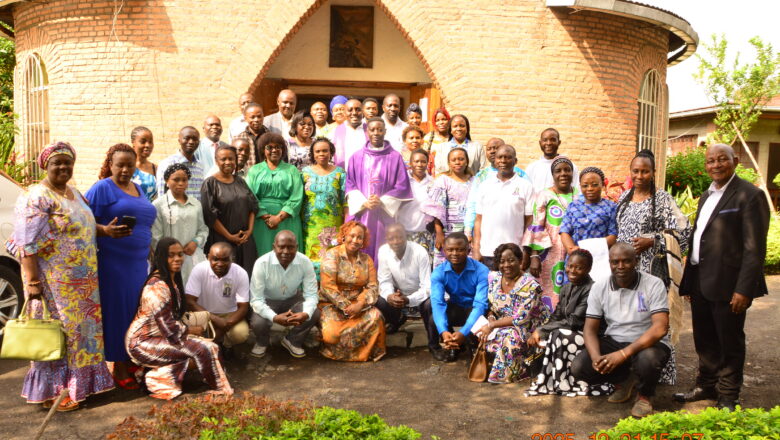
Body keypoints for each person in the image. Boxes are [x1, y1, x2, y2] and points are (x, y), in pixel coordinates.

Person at [6, 142, 114, 411]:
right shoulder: (36, 196)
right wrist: (32, 284)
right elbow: (25, 244)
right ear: (46, 165)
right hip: (55, 283)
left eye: (68, 162)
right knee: (58, 336)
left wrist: (104, 230)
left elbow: (79, 227)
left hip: (84, 285)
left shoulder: (74, 193)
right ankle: (53, 393)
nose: (64, 167)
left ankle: (81, 387)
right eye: (57, 163)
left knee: (82, 335)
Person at [675, 144, 770, 411]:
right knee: (704, 339)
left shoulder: (750, 196)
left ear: (735, 161)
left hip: (730, 286)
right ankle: (706, 386)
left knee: (729, 341)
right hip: (702, 281)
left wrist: (744, 290)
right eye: (710, 161)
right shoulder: (707, 195)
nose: (715, 165)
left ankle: (728, 396)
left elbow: (755, 249)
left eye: (721, 160)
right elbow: (699, 238)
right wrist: (690, 280)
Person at [86, 143, 157, 389]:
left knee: (136, 312)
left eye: (130, 165)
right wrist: (105, 230)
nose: (125, 169)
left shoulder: (138, 188)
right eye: (120, 165)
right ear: (111, 165)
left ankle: (132, 356)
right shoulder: (102, 188)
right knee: (119, 312)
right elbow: (81, 221)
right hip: (114, 264)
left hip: (138, 263)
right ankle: (119, 365)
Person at [571, 243, 670, 418]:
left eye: (626, 261)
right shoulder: (600, 287)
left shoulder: (654, 284)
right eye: (615, 262)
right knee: (580, 367)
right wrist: (596, 358)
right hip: (615, 339)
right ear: (609, 263)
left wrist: (623, 354)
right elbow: (590, 328)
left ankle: (644, 396)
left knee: (649, 360)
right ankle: (623, 381)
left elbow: (660, 327)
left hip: (648, 341)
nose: (620, 266)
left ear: (636, 261)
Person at [126, 238, 233, 400]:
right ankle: (220, 389)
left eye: (180, 255)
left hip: (162, 336)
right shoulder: (156, 287)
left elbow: (173, 320)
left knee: (201, 347)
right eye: (171, 255)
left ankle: (152, 376)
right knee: (205, 348)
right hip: (142, 343)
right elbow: (169, 329)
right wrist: (192, 331)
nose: (177, 259)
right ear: (161, 257)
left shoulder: (171, 279)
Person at [526, 249, 613, 396]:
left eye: (579, 267)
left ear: (588, 269)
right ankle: (548, 377)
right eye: (569, 266)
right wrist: (541, 330)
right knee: (545, 332)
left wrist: (543, 330)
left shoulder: (592, 289)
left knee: (557, 334)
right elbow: (557, 316)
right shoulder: (566, 287)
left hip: (589, 336)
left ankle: (564, 381)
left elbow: (575, 321)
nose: (572, 270)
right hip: (569, 331)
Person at [475, 243, 549, 383]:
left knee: (509, 336)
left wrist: (492, 325)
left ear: (520, 261)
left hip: (530, 327)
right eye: (502, 261)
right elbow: (493, 305)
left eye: (511, 260)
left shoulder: (531, 285)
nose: (506, 265)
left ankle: (514, 372)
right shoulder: (495, 279)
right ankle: (497, 365)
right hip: (501, 322)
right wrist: (491, 317)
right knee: (479, 331)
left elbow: (521, 318)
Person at [345, 117, 412, 261]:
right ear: (366, 131)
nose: (376, 133)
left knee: (383, 249)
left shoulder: (395, 157)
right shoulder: (356, 157)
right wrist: (364, 202)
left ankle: (383, 281)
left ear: (385, 131)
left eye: (380, 129)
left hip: (384, 215)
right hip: (362, 213)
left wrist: (381, 201)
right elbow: (350, 184)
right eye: (372, 129)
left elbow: (402, 185)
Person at [318, 221, 386, 362]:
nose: (355, 240)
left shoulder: (367, 260)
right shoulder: (332, 255)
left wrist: (360, 304)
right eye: (352, 236)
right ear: (344, 236)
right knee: (332, 334)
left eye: (359, 237)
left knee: (376, 317)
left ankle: (367, 354)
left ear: (363, 241)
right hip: (333, 304)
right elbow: (327, 286)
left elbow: (373, 286)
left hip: (358, 304)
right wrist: (346, 307)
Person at [249, 231, 320, 358]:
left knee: (313, 313)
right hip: (268, 300)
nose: (286, 251)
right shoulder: (262, 263)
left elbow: (311, 294)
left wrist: (305, 313)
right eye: (281, 247)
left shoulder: (305, 262)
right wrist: (274, 317)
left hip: (292, 299)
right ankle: (262, 342)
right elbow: (256, 299)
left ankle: (292, 340)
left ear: (297, 247)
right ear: (274, 247)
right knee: (258, 322)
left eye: (290, 247)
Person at [523, 156, 578, 310]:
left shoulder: (579, 195)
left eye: (567, 170)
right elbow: (536, 225)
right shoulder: (544, 195)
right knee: (548, 288)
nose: (563, 174)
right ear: (552, 175)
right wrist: (534, 256)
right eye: (558, 171)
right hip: (548, 252)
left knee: (570, 285)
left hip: (573, 249)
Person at [429, 232, 489, 362]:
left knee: (480, 316)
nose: (455, 253)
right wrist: (443, 331)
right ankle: (450, 344)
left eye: (460, 249)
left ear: (468, 250)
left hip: (475, 309)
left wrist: (464, 332)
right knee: (432, 313)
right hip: (457, 307)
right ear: (444, 251)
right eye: (450, 250)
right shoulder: (439, 272)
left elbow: (480, 305)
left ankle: (474, 348)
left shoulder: (482, 270)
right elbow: (438, 302)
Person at [472, 145, 534, 268]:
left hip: (515, 253)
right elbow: (478, 219)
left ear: (515, 161)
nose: (503, 161)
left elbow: (530, 223)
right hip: (488, 252)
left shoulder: (525, 186)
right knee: (489, 286)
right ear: (495, 160)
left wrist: (526, 252)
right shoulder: (485, 185)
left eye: (508, 157)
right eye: (500, 157)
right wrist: (476, 248)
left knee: (512, 287)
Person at [201, 144, 259, 276]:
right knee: (225, 278)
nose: (228, 162)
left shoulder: (240, 181)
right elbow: (209, 215)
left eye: (231, 159)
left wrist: (249, 231)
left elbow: (253, 207)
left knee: (247, 275)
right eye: (223, 159)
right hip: (222, 240)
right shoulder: (210, 184)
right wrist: (229, 236)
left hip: (245, 241)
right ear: (216, 161)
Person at [185, 242, 250, 352]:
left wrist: (226, 324)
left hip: (228, 315)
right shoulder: (199, 270)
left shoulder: (240, 273)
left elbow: (243, 307)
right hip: (203, 313)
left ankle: (224, 344)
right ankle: (213, 345)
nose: (219, 264)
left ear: (232, 259)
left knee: (240, 333)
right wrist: (214, 318)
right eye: (215, 259)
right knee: (190, 332)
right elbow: (190, 301)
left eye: (225, 260)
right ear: (208, 257)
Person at [247, 132, 305, 256]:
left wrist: (278, 218)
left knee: (287, 255)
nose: (274, 150)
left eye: (278, 147)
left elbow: (297, 196)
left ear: (283, 150)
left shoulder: (292, 170)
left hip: (287, 220)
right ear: (263, 150)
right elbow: (250, 196)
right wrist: (265, 216)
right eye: (269, 147)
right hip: (262, 222)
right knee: (263, 256)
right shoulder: (254, 170)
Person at [152, 163, 209, 285]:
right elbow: (156, 237)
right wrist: (172, 254)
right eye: (176, 179)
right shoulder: (158, 205)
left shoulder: (195, 204)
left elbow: (203, 229)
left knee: (194, 294)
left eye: (184, 180)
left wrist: (195, 242)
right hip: (171, 260)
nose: (181, 183)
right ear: (167, 180)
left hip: (193, 259)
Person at [463, 138, 530, 238]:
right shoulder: (481, 176)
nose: (493, 151)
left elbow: (529, 206)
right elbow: (473, 203)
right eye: (489, 149)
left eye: (496, 148)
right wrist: (468, 228)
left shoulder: (520, 174)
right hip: (487, 233)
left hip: (514, 233)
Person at [375, 224, 432, 334]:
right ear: (386, 239)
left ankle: (432, 338)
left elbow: (427, 286)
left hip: (420, 294)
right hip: (398, 293)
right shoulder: (383, 251)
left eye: (400, 237)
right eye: (391, 238)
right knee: (380, 301)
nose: (396, 241)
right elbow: (385, 280)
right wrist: (390, 296)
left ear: (406, 236)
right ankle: (396, 320)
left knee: (430, 304)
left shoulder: (419, 252)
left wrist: (409, 299)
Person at [301, 137, 346, 274]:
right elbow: (300, 198)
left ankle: (330, 289)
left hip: (333, 225)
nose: (322, 154)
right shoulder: (305, 173)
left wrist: (345, 225)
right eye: (318, 151)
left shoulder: (340, 173)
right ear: (313, 154)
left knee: (332, 258)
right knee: (311, 256)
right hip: (310, 225)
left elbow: (345, 200)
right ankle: (313, 289)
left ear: (331, 152)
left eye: (325, 151)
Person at [430, 148, 474, 266]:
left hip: (468, 233)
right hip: (447, 232)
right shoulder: (443, 180)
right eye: (453, 160)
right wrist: (439, 233)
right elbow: (437, 209)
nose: (457, 162)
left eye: (461, 159)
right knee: (445, 264)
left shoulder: (474, 181)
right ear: (449, 163)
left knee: (466, 264)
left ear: (466, 161)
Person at [560, 167, 618, 255]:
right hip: (576, 258)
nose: (590, 188)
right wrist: (571, 249)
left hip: (600, 257)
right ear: (580, 186)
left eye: (594, 185)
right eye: (585, 185)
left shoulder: (611, 207)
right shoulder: (573, 206)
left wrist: (586, 248)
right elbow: (564, 232)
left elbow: (613, 236)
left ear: (602, 185)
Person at [396, 149, 437, 261]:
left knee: (424, 269)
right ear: (411, 163)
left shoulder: (433, 183)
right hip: (404, 233)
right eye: (416, 161)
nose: (420, 164)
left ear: (427, 163)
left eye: (423, 161)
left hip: (425, 234)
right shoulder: (402, 181)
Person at [156, 126, 205, 201]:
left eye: (195, 139)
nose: (191, 142)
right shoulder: (167, 164)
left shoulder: (200, 166)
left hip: (197, 211)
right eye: (187, 138)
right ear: (179, 140)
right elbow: (161, 194)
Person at [525, 128, 580, 192]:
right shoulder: (532, 168)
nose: (548, 143)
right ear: (540, 143)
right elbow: (527, 192)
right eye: (545, 140)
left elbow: (576, 192)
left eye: (553, 140)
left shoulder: (569, 167)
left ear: (559, 142)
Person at [332, 98, 368, 171]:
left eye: (358, 109)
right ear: (345, 113)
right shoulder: (334, 132)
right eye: (350, 110)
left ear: (363, 112)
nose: (354, 113)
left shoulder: (371, 130)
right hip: (343, 177)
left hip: (367, 177)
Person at [130, 126, 158, 201]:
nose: (147, 145)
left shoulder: (156, 169)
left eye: (150, 142)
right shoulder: (125, 167)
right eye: (143, 142)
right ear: (133, 143)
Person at [423, 107, 451, 175]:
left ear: (449, 120)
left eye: (444, 119)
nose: (441, 122)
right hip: (434, 176)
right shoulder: (428, 138)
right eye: (437, 120)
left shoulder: (453, 137)